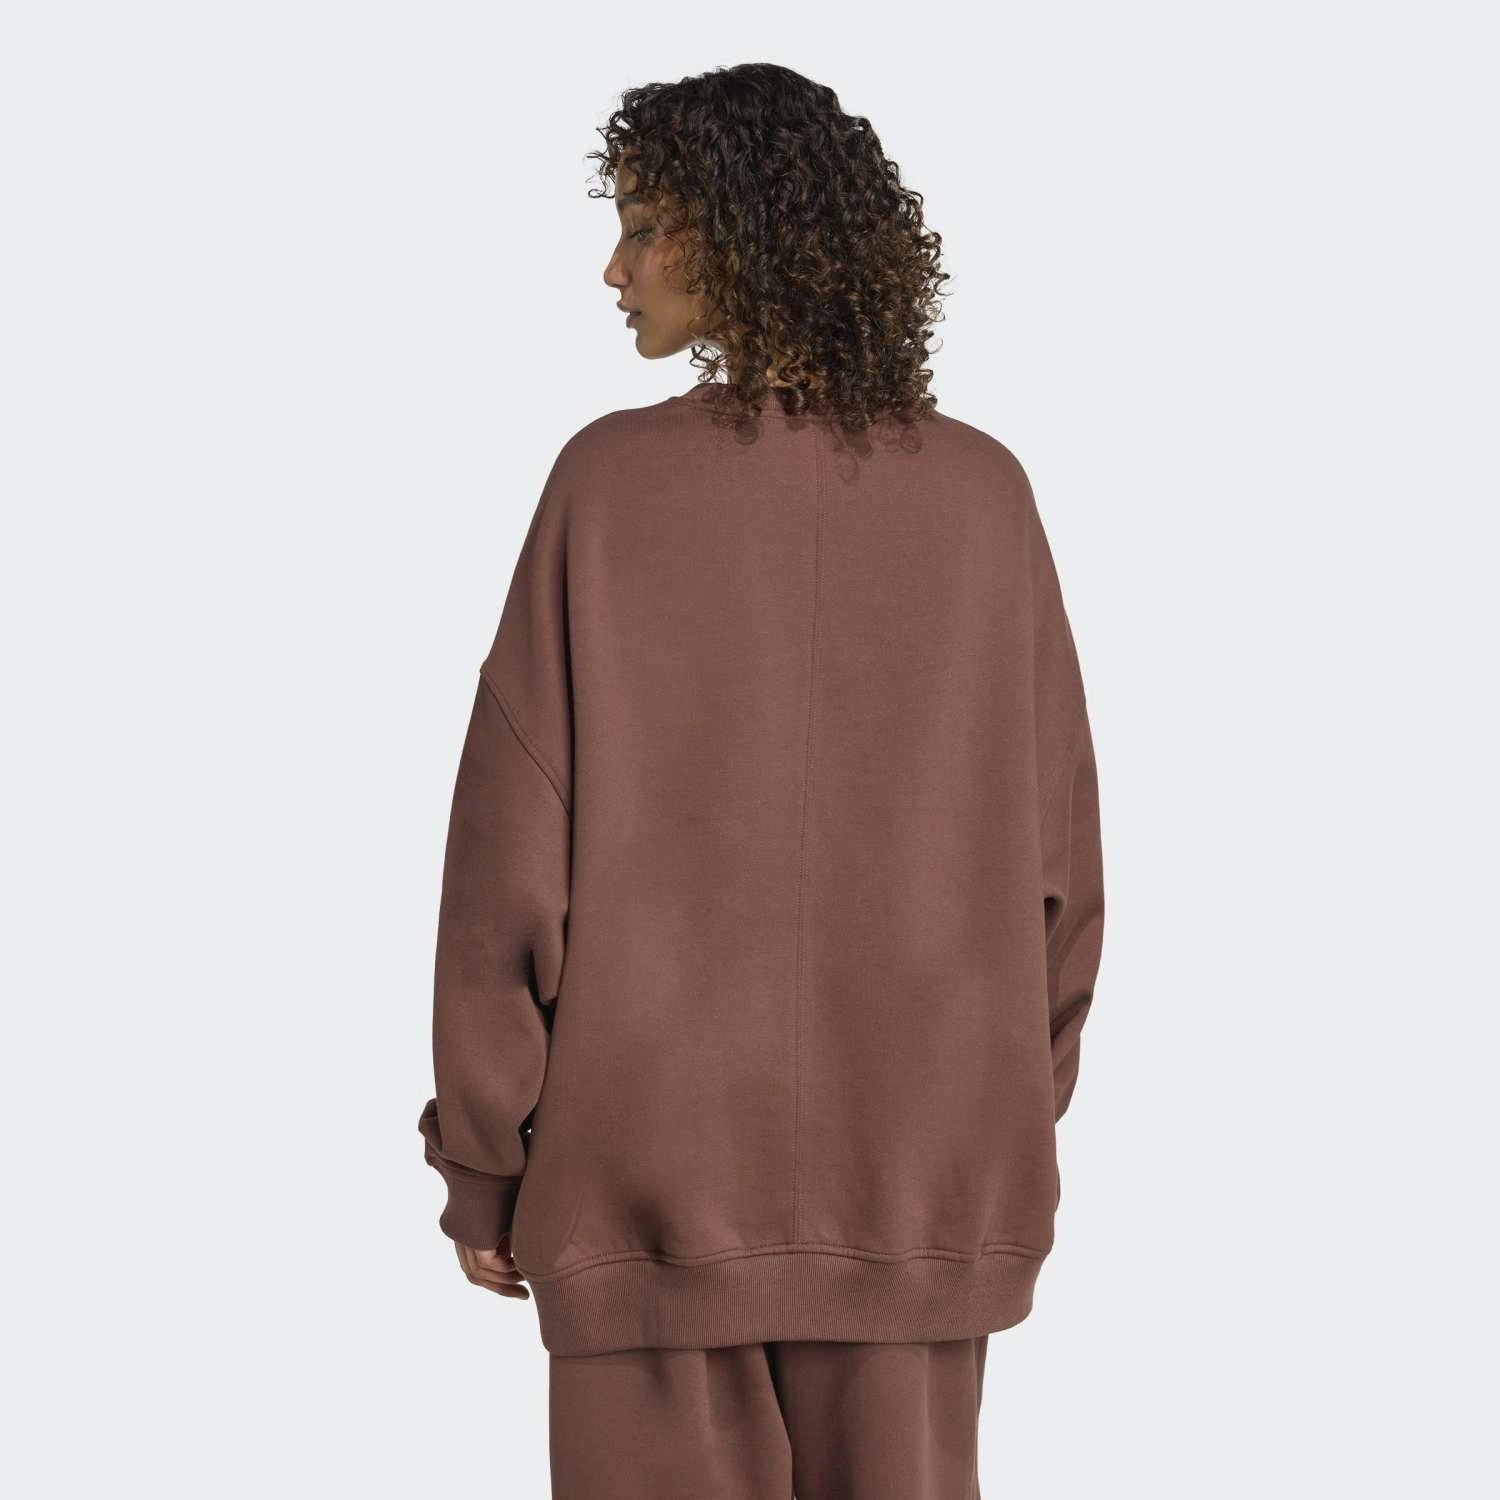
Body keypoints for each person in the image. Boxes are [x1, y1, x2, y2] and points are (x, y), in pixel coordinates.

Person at [417, 62, 1105, 1500]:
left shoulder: (607, 488)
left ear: (739, 234)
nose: (613, 268)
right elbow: (1058, 873)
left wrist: (485, 1160)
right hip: (917, 1185)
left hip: (647, 1188)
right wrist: (982, 1124)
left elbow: (507, 872)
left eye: (643, 225)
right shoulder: (985, 496)